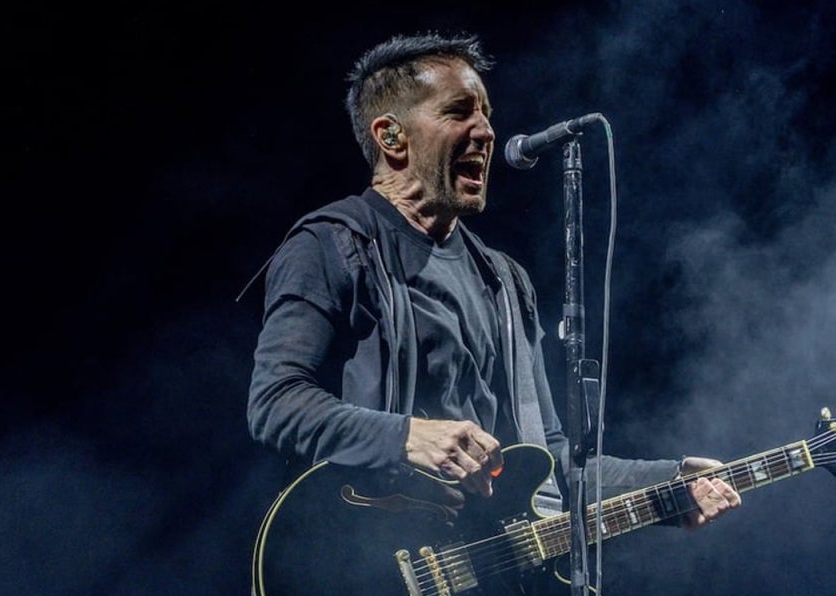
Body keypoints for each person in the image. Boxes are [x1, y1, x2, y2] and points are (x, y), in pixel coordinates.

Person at [247, 33, 739, 530]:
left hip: (478, 562)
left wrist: (670, 484)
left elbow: (549, 456)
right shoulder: (330, 244)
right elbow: (275, 403)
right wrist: (408, 436)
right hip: (364, 554)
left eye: (486, 114)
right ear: (391, 136)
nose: (485, 132)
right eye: (459, 112)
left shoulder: (504, 281)